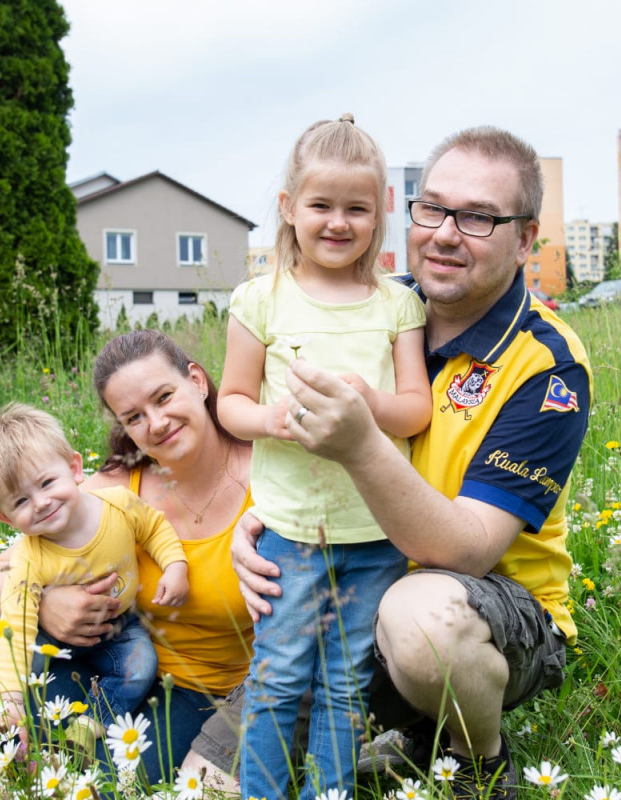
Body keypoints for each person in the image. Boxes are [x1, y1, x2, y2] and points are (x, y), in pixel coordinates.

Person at [230, 126, 592, 800]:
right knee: (220, 753)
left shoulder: (547, 365)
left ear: (525, 238)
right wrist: (248, 521)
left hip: (481, 603)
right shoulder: (378, 304)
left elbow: (469, 550)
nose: (447, 234)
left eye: (479, 217)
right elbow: (259, 413)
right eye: (434, 208)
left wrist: (361, 438)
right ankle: (410, 732)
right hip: (343, 562)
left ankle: (474, 757)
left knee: (421, 624)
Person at [217, 114, 432, 800]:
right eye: (321, 206)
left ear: (381, 213)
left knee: (345, 685)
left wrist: (370, 402)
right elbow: (230, 403)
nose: (338, 223)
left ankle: (331, 793)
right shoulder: (261, 300)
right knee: (278, 676)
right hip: (291, 528)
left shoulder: (397, 306)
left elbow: (416, 408)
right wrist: (274, 419)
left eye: (356, 209)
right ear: (288, 208)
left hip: (373, 533)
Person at [0, 331, 254, 787]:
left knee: (114, 784)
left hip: (201, 689)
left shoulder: (266, 476)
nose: (157, 423)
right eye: (134, 416)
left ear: (198, 381)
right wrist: (45, 602)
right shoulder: (116, 488)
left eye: (164, 396)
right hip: (105, 657)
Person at [0, 402, 189, 739]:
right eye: (20, 502)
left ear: (74, 468)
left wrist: (174, 565)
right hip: (50, 637)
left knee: (141, 666)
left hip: (118, 628)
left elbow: (154, 528)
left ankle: (92, 725)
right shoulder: (29, 557)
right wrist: (10, 698)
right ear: (5, 518)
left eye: (46, 483)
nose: (40, 503)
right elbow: (17, 628)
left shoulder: (118, 504)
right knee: (7, 669)